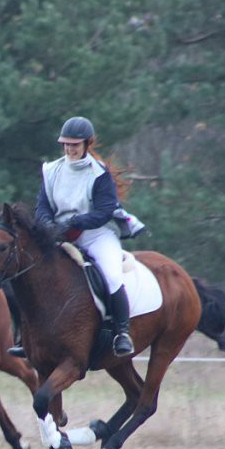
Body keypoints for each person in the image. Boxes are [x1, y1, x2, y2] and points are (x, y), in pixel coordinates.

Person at [32, 116, 134, 357]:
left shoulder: (99, 174)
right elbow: (42, 206)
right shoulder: (52, 170)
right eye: (66, 144)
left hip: (95, 235)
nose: (70, 149)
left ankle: (122, 332)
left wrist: (74, 221)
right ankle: (25, 335)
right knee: (30, 272)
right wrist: (47, 224)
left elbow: (104, 211)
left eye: (75, 145)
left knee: (110, 275)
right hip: (59, 235)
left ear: (87, 144)